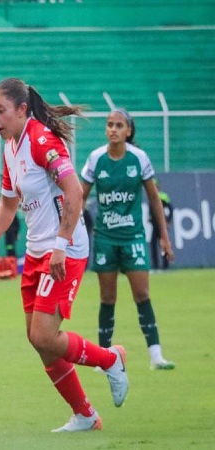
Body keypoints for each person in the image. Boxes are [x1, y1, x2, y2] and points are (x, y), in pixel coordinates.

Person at [0, 78, 128, 432]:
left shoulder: (41, 141)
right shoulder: (10, 148)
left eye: (1, 111)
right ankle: (86, 415)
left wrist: (61, 243)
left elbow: (74, 191)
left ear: (22, 110)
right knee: (40, 342)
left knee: (45, 336)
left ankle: (111, 359)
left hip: (66, 248)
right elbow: (8, 203)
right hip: (36, 251)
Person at [80, 108, 176, 370]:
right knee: (107, 298)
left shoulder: (139, 158)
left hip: (133, 236)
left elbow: (154, 198)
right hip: (105, 239)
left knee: (142, 293)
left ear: (128, 131)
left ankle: (156, 356)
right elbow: (79, 197)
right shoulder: (96, 158)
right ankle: (103, 358)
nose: (113, 129)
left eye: (119, 125)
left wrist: (164, 237)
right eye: (109, 124)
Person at [150, 179, 173, 271]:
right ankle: (155, 265)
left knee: (163, 243)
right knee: (153, 244)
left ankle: (165, 266)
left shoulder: (162, 196)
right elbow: (151, 210)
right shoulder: (151, 196)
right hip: (154, 224)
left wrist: (168, 220)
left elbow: (170, 209)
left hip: (161, 224)